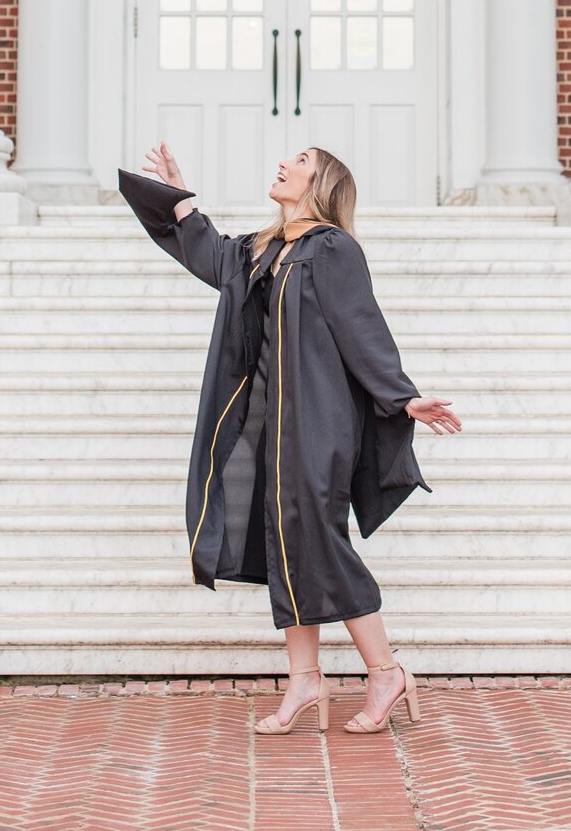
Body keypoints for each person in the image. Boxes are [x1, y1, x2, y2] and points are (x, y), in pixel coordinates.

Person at [118, 141, 461, 737]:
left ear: (320, 181)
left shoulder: (332, 249)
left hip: (322, 423)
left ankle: (386, 671)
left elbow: (362, 326)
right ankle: (304, 678)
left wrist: (402, 396)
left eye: (300, 160)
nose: (285, 163)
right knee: (284, 542)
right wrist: (178, 195)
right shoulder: (266, 249)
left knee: (320, 541)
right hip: (276, 422)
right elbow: (209, 257)